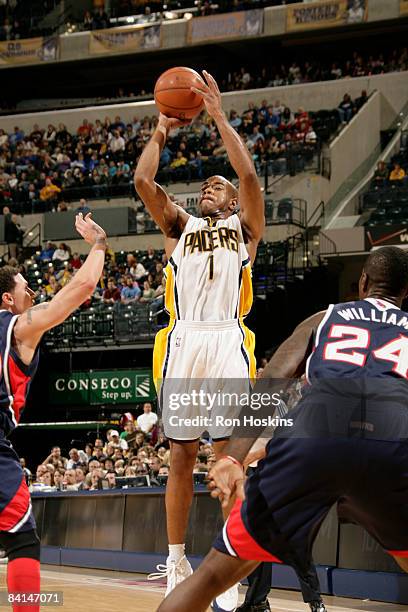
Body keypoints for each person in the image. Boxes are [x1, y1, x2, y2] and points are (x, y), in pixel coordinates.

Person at [158, 246, 408, 611]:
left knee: (213, 575)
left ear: (363, 283)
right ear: (405, 292)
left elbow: (274, 377)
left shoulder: (326, 317)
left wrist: (233, 458)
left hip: (315, 431)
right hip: (393, 437)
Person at [135, 70, 264, 608]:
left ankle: (225, 566)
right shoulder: (179, 227)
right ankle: (176, 559)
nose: (211, 186)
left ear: (233, 203)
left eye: (220, 186)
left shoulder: (246, 229)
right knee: (181, 458)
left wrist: (214, 115)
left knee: (228, 457)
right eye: (206, 185)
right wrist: (161, 130)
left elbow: (250, 174)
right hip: (185, 342)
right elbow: (144, 183)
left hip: (227, 340)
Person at [0, 212, 107, 612]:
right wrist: (99, 245)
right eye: (26, 289)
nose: (32, 293)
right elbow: (79, 289)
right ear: (8, 299)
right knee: (22, 536)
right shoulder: (18, 326)